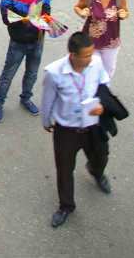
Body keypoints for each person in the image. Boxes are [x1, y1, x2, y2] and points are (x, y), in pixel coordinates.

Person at [42, 31, 111, 228]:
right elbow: (47, 99)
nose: (90, 58)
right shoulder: (54, 73)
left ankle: (96, 172)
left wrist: (102, 105)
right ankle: (66, 206)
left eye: (91, 53)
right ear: (73, 55)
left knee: (101, 155)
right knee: (64, 169)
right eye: (86, 55)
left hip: (93, 124)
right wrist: (46, 121)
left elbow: (104, 84)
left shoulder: (96, 63)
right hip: (67, 129)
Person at [0, 0, 51, 123]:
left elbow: (47, 11)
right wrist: (23, 19)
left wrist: (45, 18)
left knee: (32, 74)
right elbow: (6, 18)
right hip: (18, 42)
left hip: (37, 41)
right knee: (8, 74)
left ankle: (26, 98)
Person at [73, 0, 129, 78]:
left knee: (107, 72)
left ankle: (102, 88)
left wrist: (124, 14)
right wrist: (81, 12)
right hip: (91, 41)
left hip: (111, 43)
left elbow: (125, 11)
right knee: (90, 70)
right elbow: (77, 7)